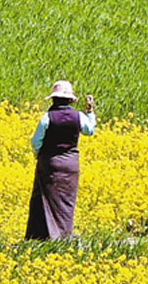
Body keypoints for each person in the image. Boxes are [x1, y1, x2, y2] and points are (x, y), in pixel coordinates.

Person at [25, 80, 96, 240]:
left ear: (53, 99)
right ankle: (63, 237)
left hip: (50, 164)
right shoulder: (78, 117)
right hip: (70, 165)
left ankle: (40, 237)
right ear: (71, 100)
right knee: (66, 203)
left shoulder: (47, 118)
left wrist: (40, 156)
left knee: (43, 200)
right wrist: (90, 111)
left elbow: (35, 141)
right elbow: (90, 131)